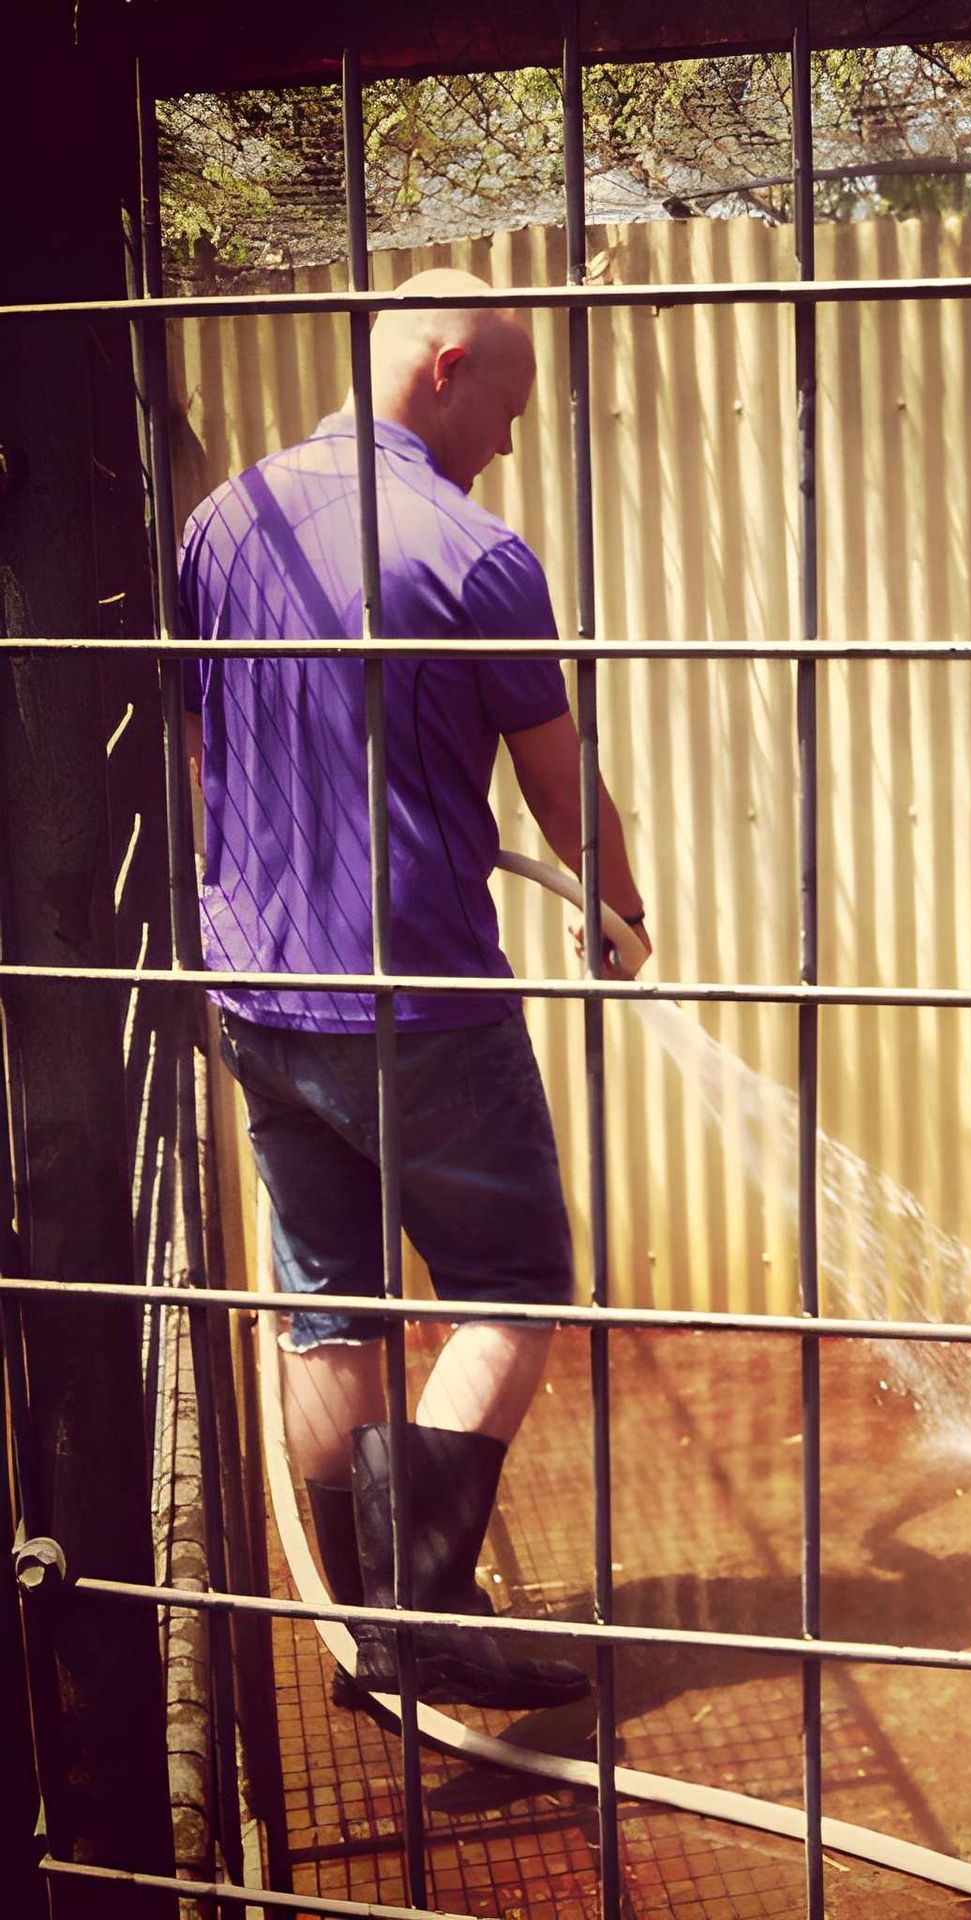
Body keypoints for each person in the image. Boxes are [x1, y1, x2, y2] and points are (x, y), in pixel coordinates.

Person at [180, 267, 647, 1711]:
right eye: (505, 407)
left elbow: (203, 754)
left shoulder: (221, 527)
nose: (507, 441)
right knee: (515, 1284)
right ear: (445, 369)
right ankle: (413, 1621)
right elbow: (562, 795)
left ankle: (365, 1622)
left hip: (259, 993)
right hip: (420, 1002)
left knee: (333, 1308)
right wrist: (620, 912)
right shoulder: (476, 548)